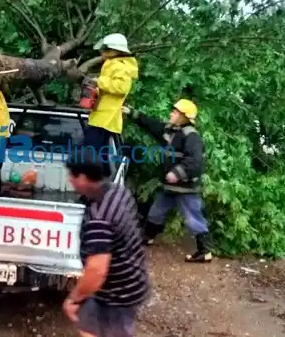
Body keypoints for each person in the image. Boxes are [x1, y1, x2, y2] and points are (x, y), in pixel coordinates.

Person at [62, 149, 150, 337]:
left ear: (83, 178)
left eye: (72, 175)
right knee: (86, 328)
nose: (69, 179)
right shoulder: (119, 192)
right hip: (123, 282)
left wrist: (73, 298)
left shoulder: (99, 218)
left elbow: (96, 271)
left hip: (119, 295)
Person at [122, 99, 212, 263]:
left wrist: (177, 173)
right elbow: (152, 125)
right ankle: (147, 237)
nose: (172, 113)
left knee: (193, 217)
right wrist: (132, 113)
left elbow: (195, 162)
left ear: (184, 117)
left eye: (175, 112)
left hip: (185, 188)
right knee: (156, 212)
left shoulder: (190, 136)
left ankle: (205, 251)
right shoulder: (171, 131)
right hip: (171, 187)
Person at [81, 33, 138, 177]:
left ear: (115, 50)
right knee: (100, 155)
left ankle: (96, 186)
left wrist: (99, 82)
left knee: (90, 153)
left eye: (106, 49)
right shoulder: (112, 64)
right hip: (102, 115)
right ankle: (103, 185)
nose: (103, 52)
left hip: (106, 116)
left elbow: (121, 87)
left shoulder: (121, 66)